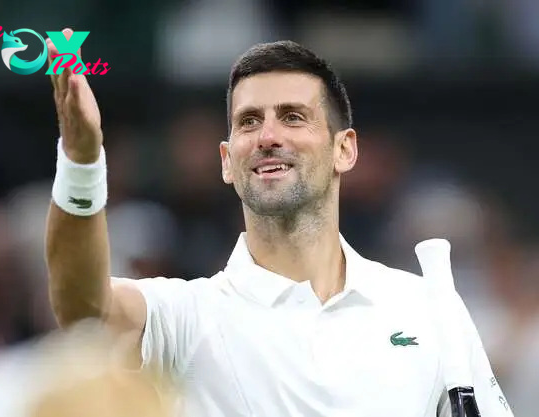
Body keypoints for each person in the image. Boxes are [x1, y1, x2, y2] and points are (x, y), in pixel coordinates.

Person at [44, 28, 515, 417]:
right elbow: (81, 308)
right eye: (249, 122)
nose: (268, 136)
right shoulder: (185, 316)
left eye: (293, 117)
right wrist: (82, 162)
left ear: (344, 149)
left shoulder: (427, 307)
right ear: (228, 162)